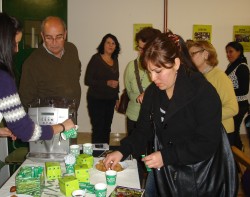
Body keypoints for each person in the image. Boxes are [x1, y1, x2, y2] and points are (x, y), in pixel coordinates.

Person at [0, 12, 75, 197]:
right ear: (1, 43)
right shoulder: (0, 77)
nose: (16, 49)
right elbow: (28, 132)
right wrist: (62, 126)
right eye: (14, 43)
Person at [103, 32, 237, 196]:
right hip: (166, 166)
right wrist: (122, 150)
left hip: (199, 174)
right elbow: (142, 130)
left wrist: (166, 156)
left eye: (158, 71)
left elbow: (207, 142)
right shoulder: (153, 92)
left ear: (176, 63)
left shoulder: (203, 92)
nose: (153, 78)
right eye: (149, 72)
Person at [19, 16, 81, 115]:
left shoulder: (72, 49)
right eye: (49, 37)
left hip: (72, 115)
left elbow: (77, 70)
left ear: (65, 34)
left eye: (59, 37)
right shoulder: (31, 63)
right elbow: (26, 101)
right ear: (42, 36)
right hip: (48, 123)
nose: (54, 42)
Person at [124, 27, 161, 189]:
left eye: (143, 48)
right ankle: (137, 187)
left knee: (154, 157)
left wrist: (149, 96)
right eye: (139, 47)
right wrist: (138, 97)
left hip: (155, 120)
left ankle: (153, 185)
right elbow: (129, 91)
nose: (140, 52)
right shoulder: (131, 66)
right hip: (134, 116)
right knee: (137, 155)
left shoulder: (163, 67)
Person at [187, 40, 238, 145]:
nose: (189, 58)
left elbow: (233, 108)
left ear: (205, 54)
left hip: (222, 132)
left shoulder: (220, 77)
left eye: (192, 54)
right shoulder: (198, 77)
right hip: (206, 130)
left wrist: (205, 117)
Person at [84, 33, 121, 144]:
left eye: (113, 43)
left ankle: (105, 153)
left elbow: (116, 81)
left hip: (110, 100)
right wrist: (106, 83)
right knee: (98, 128)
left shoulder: (115, 60)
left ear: (116, 46)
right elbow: (88, 80)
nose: (110, 45)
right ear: (103, 44)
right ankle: (96, 155)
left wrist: (117, 98)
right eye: (108, 42)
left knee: (107, 128)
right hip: (96, 99)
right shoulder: (96, 59)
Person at [225, 41, 250, 150]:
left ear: (239, 52)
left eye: (231, 51)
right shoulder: (231, 65)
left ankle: (239, 154)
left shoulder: (242, 67)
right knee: (233, 131)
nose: (228, 54)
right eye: (227, 52)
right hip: (233, 103)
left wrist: (227, 91)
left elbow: (244, 90)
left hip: (240, 105)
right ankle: (237, 153)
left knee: (234, 132)